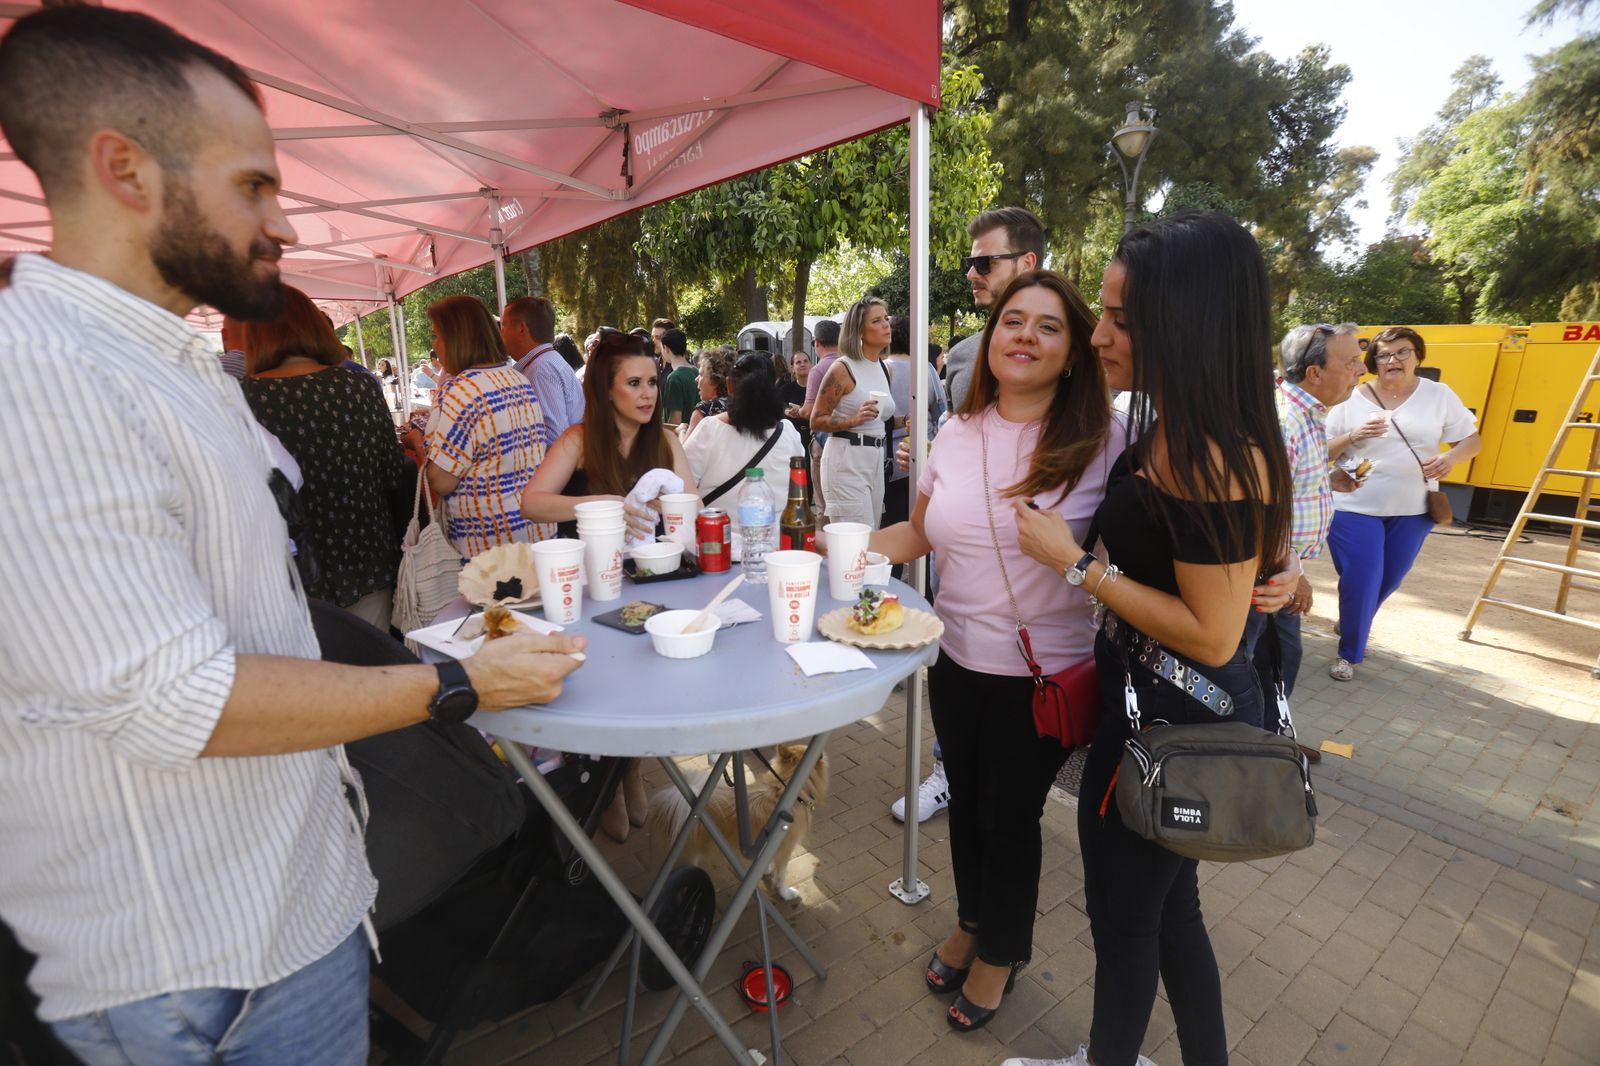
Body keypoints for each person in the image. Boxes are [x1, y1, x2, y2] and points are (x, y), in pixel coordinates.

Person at [0, 10, 584, 1064]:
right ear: (125, 170)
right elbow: (174, 694)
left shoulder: (178, 370)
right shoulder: (38, 375)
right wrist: (455, 682)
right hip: (195, 969)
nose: (289, 226)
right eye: (254, 186)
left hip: (287, 919)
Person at [1000, 211, 1294, 1066]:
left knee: (1128, 925)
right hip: (1156, 723)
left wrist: (1075, 566)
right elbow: (1238, 578)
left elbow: (1211, 634)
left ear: (1186, 323)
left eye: (1122, 318)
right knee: (1169, 914)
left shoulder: (1212, 453)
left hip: (1170, 730)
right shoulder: (1186, 431)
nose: (1101, 335)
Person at [867, 271, 1121, 1033]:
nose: (1025, 337)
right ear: (991, 338)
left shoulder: (1105, 445)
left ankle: (1002, 952)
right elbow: (919, 533)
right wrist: (834, 554)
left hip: (1041, 675)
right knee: (969, 805)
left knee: (1008, 817)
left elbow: (1165, 537)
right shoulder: (956, 429)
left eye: (1049, 327)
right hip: (953, 657)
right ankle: (973, 921)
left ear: (1074, 351)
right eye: (1015, 320)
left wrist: (1275, 567)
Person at [240, 286, 413, 630]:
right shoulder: (357, 385)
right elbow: (393, 471)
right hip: (369, 554)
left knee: (316, 677)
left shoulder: (244, 398)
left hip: (293, 569)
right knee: (372, 666)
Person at [1324, 326, 1481, 682]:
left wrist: (1451, 458)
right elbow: (1323, 449)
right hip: (1354, 505)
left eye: (1402, 352)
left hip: (1413, 509)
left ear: (1418, 356)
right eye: (1384, 354)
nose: (1393, 360)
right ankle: (1349, 653)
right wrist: (1353, 435)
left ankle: (1352, 622)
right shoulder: (1350, 397)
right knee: (1362, 577)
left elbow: (1472, 441)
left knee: (1390, 578)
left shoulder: (1438, 395)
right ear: (1373, 361)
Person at [1241, 323, 1366, 750]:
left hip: (1280, 570)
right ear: (1314, 372)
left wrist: (1330, 481)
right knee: (1255, 661)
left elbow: (1289, 487)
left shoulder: (1305, 414)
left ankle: (1269, 741)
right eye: (1350, 362)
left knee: (1278, 658)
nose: (1361, 370)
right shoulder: (1284, 419)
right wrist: (1291, 570)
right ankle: (1247, 749)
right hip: (1266, 572)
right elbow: (1259, 510)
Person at [521, 327, 697, 549]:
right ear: (607, 390)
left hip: (658, 574)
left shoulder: (667, 441)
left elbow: (696, 507)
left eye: (652, 382)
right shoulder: (578, 441)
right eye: (634, 383)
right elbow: (531, 504)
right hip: (593, 574)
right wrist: (601, 506)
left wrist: (671, 506)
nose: (648, 393)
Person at [409, 295, 555, 558]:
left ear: (457, 338)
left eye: (437, 335)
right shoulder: (517, 379)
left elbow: (441, 480)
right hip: (537, 530)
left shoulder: (459, 390)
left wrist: (417, 444)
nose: (435, 345)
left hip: (489, 546)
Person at [946, 207, 1045, 412]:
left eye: (984, 262)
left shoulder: (1069, 352)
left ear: (1026, 263)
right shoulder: (960, 356)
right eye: (970, 264)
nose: (971, 274)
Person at [685, 352, 805, 517]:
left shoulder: (709, 429)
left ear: (729, 386)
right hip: (778, 539)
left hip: (720, 539)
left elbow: (681, 484)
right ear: (774, 385)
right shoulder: (788, 432)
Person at [811, 297, 896, 529]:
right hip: (846, 462)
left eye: (886, 318)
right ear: (859, 330)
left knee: (871, 543)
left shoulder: (885, 368)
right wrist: (854, 419)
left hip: (876, 461)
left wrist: (908, 421)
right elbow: (816, 420)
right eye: (877, 321)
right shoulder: (842, 368)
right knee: (856, 546)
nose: (886, 325)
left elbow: (879, 419)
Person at [884, 315, 948, 529]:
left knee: (893, 527)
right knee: (923, 528)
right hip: (923, 456)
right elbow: (941, 411)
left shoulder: (881, 369)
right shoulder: (926, 368)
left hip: (889, 460)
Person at [503, 295, 585, 439]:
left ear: (522, 329)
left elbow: (554, 437)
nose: (501, 332)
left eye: (504, 325)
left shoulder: (540, 370)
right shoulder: (545, 362)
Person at [799, 318, 843, 513]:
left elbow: (808, 412)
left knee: (823, 504)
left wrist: (797, 411)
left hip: (824, 440)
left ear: (816, 342)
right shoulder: (850, 365)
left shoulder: (818, 370)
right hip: (848, 440)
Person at [682, 344, 734, 440]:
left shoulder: (704, 410)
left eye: (701, 374)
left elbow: (684, 452)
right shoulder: (740, 408)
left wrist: (681, 431)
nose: (696, 379)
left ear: (715, 380)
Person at [660, 327, 697, 425]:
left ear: (666, 348)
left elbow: (674, 421)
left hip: (682, 436)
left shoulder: (674, 378)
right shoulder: (697, 372)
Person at [780, 347, 813, 452]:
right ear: (792, 368)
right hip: (792, 440)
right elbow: (777, 407)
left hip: (814, 438)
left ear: (811, 365)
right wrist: (786, 411)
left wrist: (801, 410)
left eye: (805, 361)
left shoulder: (820, 388)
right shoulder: (785, 389)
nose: (802, 364)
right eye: (798, 362)